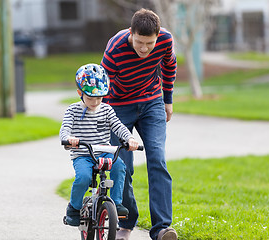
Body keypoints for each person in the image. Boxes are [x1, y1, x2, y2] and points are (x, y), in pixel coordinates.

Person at [101, 8, 177, 240]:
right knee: (122, 167)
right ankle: (126, 222)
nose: (145, 49)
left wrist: (167, 100)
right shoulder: (114, 48)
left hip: (151, 102)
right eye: (140, 42)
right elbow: (103, 88)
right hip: (119, 107)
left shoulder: (165, 40)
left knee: (157, 158)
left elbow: (169, 66)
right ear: (131, 34)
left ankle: (162, 228)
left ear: (157, 37)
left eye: (150, 43)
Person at [59, 63, 139, 226]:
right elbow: (65, 128)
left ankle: (116, 203)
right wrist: (68, 138)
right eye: (90, 98)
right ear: (79, 93)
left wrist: (129, 139)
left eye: (99, 98)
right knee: (83, 177)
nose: (95, 102)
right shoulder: (72, 110)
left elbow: (118, 126)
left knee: (119, 167)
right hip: (83, 154)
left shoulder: (107, 110)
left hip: (104, 152)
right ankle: (74, 208)